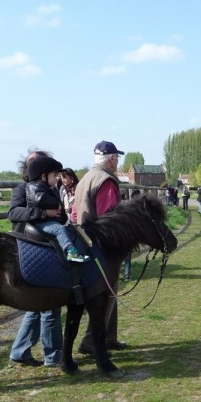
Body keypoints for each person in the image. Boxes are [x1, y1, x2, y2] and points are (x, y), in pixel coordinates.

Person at [8, 148, 63, 368]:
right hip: (30, 245)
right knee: (50, 302)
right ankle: (54, 356)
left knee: (39, 304)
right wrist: (43, 214)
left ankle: (20, 350)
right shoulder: (22, 189)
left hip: (46, 244)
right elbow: (14, 213)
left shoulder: (49, 187)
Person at [73, 140, 128, 353]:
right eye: (117, 158)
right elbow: (109, 217)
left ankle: (110, 337)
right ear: (112, 158)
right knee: (106, 291)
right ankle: (90, 342)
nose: (117, 162)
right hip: (102, 243)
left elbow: (76, 212)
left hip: (83, 238)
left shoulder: (85, 178)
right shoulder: (106, 180)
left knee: (110, 290)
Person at [25, 156, 90, 263]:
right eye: (54, 175)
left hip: (47, 221)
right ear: (43, 176)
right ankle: (71, 252)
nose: (57, 178)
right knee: (59, 229)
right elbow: (39, 199)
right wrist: (56, 204)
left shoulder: (48, 187)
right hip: (40, 222)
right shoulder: (34, 187)